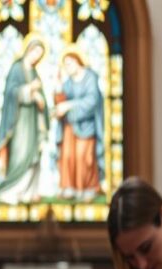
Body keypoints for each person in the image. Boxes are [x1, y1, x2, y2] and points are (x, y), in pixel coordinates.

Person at [0, 37, 48, 205]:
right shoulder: (16, 69)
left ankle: (30, 192)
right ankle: (11, 190)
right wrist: (29, 90)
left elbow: (41, 97)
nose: (36, 57)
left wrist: (40, 101)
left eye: (40, 54)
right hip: (19, 122)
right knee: (20, 153)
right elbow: (11, 93)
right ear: (28, 50)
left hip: (33, 121)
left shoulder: (34, 72)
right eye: (35, 52)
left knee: (33, 155)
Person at [54, 48, 104, 202]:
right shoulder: (68, 82)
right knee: (68, 156)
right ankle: (69, 187)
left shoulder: (90, 77)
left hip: (86, 126)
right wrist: (58, 87)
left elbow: (92, 101)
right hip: (70, 127)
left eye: (69, 64)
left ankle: (88, 188)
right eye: (65, 65)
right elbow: (60, 103)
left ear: (77, 61)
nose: (67, 68)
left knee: (84, 157)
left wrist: (69, 106)